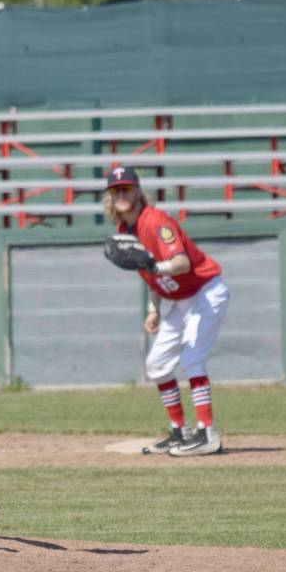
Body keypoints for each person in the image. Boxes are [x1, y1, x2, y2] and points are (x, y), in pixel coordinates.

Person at [103, 166, 230, 457]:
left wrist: (154, 266)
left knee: (191, 358)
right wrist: (153, 310)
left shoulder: (155, 221)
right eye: (115, 190)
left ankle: (207, 434)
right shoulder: (125, 230)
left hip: (207, 290)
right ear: (109, 197)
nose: (121, 193)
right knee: (158, 364)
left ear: (137, 191)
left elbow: (182, 263)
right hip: (181, 299)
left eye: (126, 188)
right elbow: (151, 278)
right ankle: (179, 431)